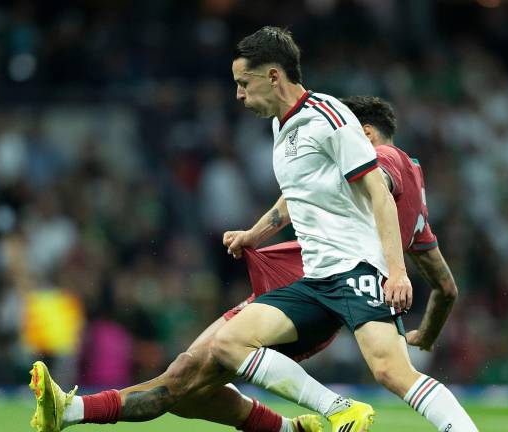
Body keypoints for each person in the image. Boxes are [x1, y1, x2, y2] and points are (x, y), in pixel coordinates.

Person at [29, 26, 476, 432]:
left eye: (244, 83)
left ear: (274, 76)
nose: (239, 95)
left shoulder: (329, 116)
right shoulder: (283, 129)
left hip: (357, 269)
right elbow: (297, 196)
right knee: (227, 344)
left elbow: (378, 190)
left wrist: (395, 272)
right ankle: (336, 410)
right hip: (317, 280)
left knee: (391, 373)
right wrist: (255, 235)